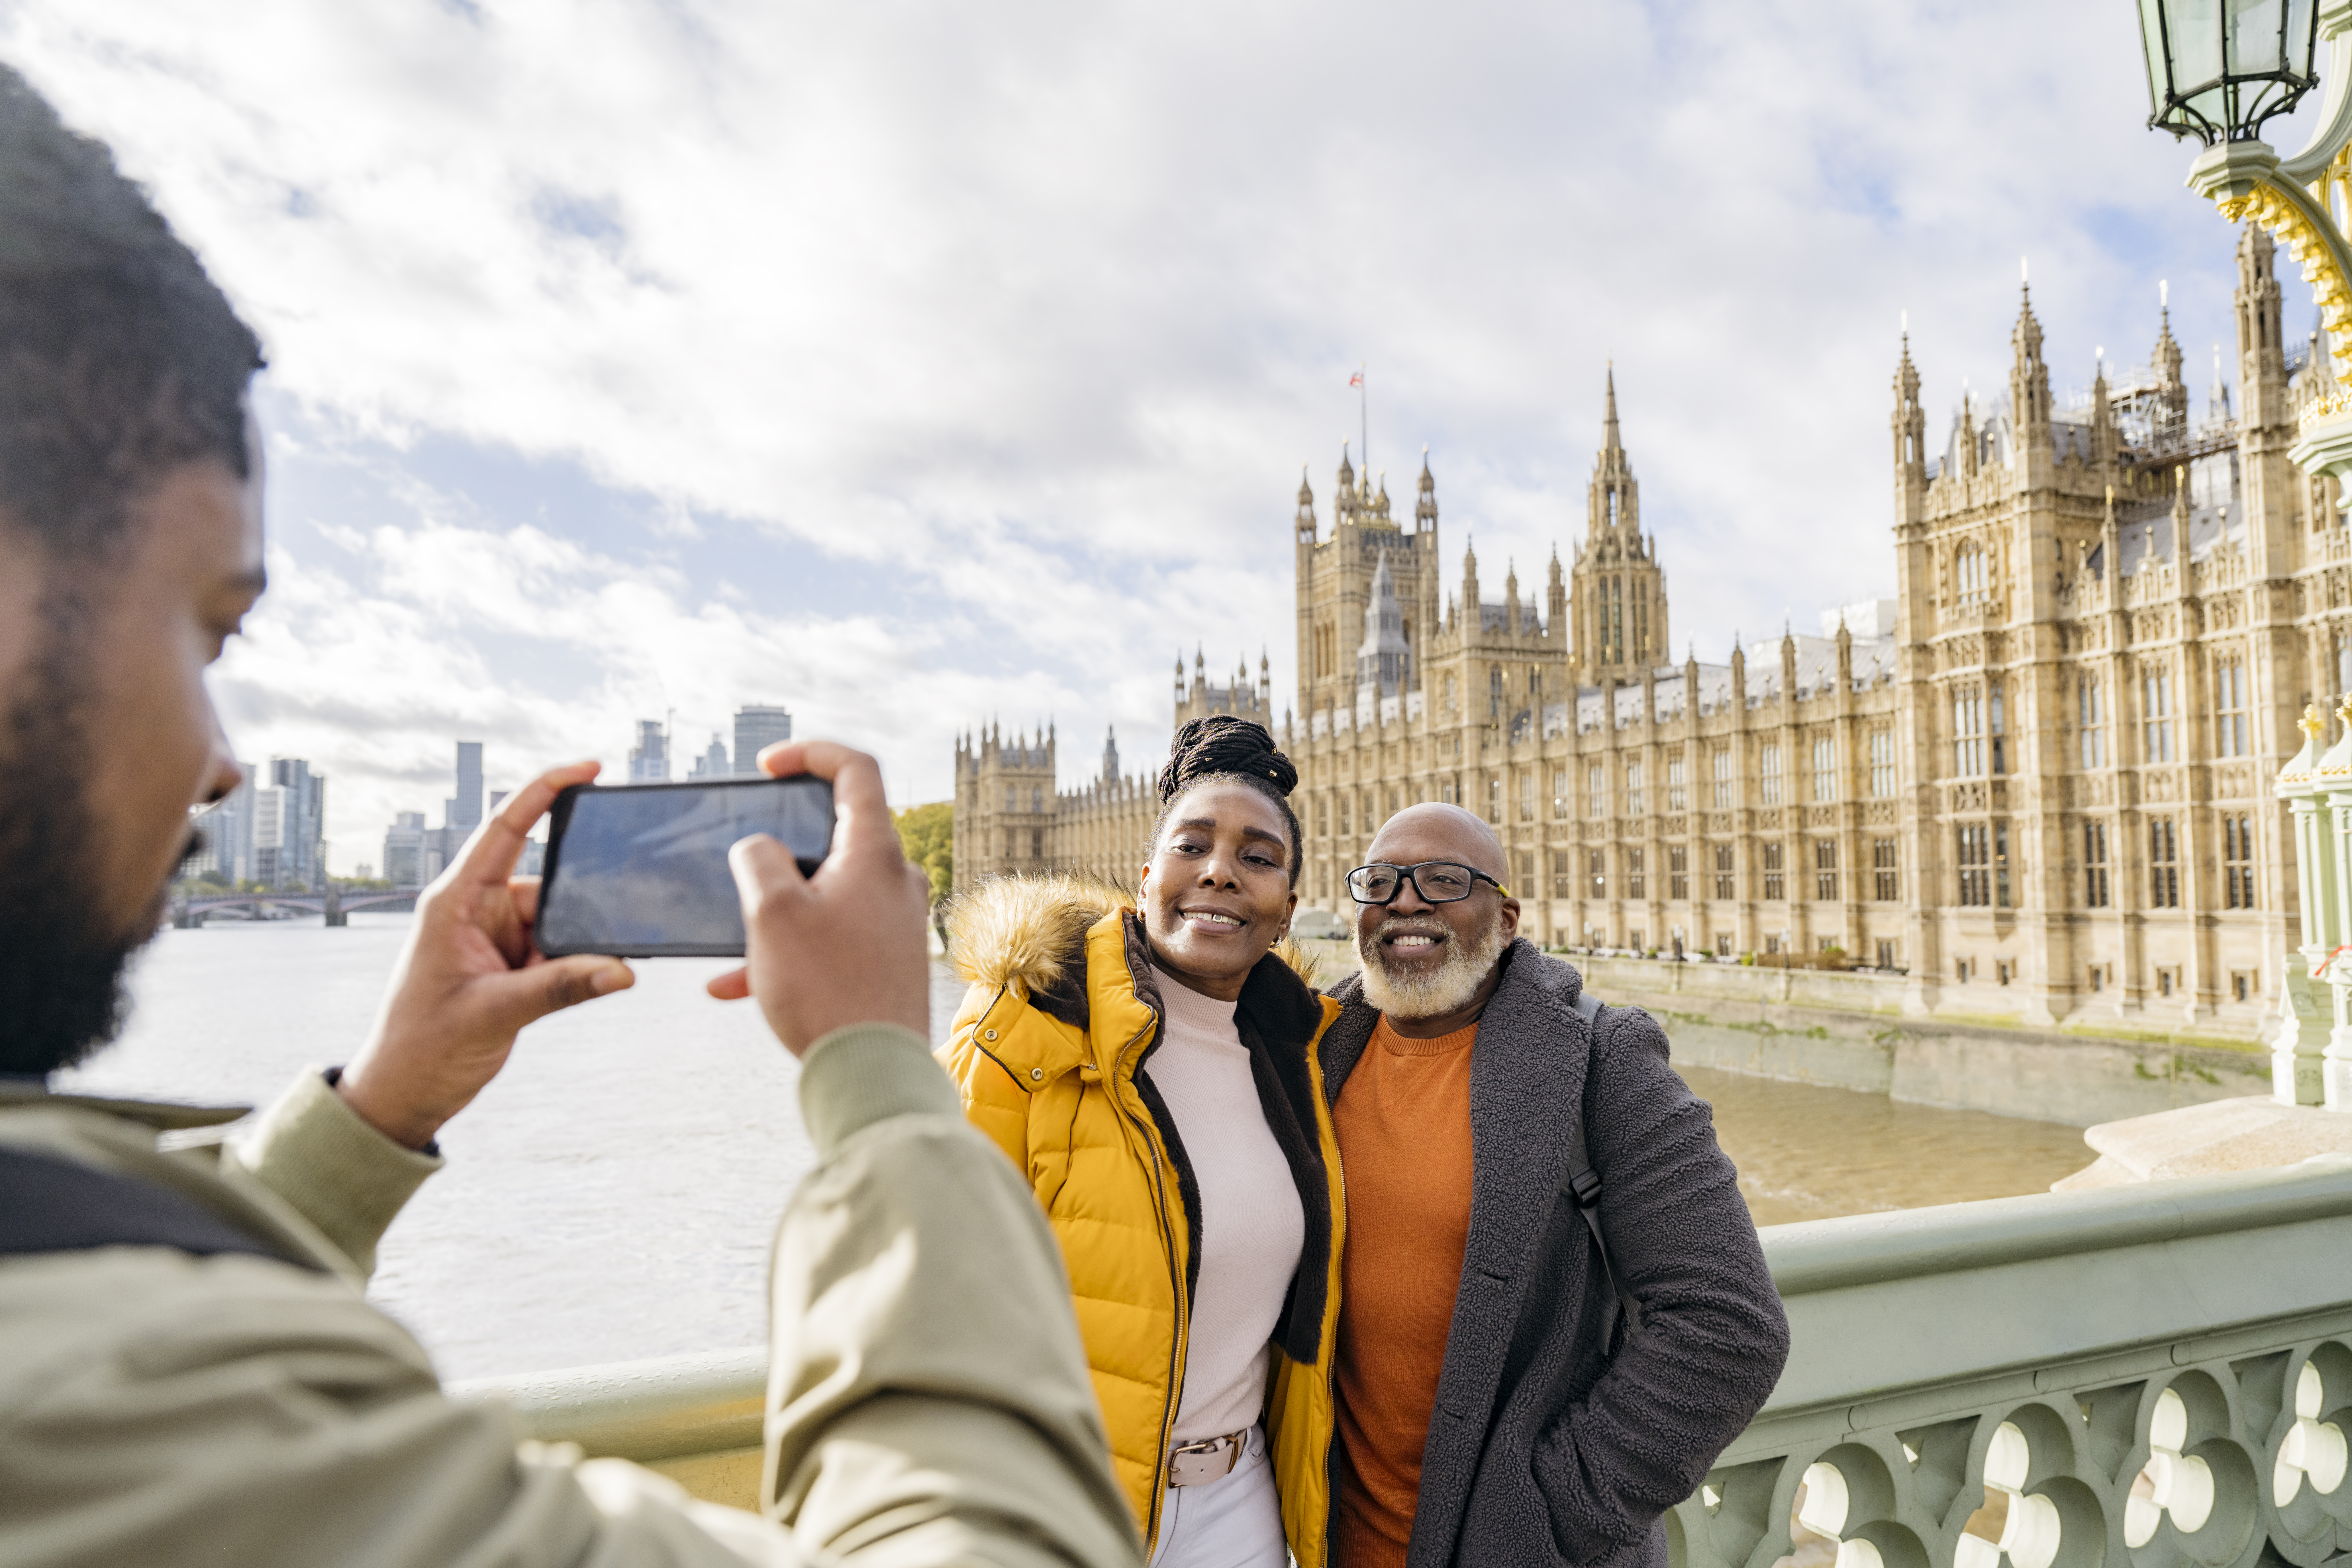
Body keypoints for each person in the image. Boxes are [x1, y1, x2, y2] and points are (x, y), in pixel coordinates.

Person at [0, 65, 1140, 1568]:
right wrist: (876, 1075)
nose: (222, 761)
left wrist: (371, 1116)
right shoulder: (107, 1421)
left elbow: (122, 1318)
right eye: (207, 630)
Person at [1323, 803, 1790, 1568]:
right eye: (1380, 882)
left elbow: (1730, 1326)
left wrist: (1542, 1521)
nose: (1406, 901)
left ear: (1505, 919)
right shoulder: (1315, 1046)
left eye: (1445, 882)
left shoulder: (1602, 1059)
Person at [939, 716, 1346, 1568]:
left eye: (1258, 857)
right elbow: (920, 1282)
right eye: (1193, 845)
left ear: (1289, 909)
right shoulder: (1027, 1026)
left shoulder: (1301, 1054)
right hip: (1065, 1514)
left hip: (1243, 1506)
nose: (1220, 873)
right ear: (1147, 872)